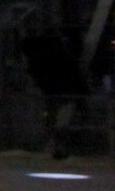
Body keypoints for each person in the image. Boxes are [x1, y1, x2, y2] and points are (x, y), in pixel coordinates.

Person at [18, 30, 88, 160]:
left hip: (61, 94)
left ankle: (58, 148)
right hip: (68, 93)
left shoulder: (39, 61)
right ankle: (60, 148)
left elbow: (44, 80)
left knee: (59, 122)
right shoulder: (55, 56)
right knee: (62, 121)